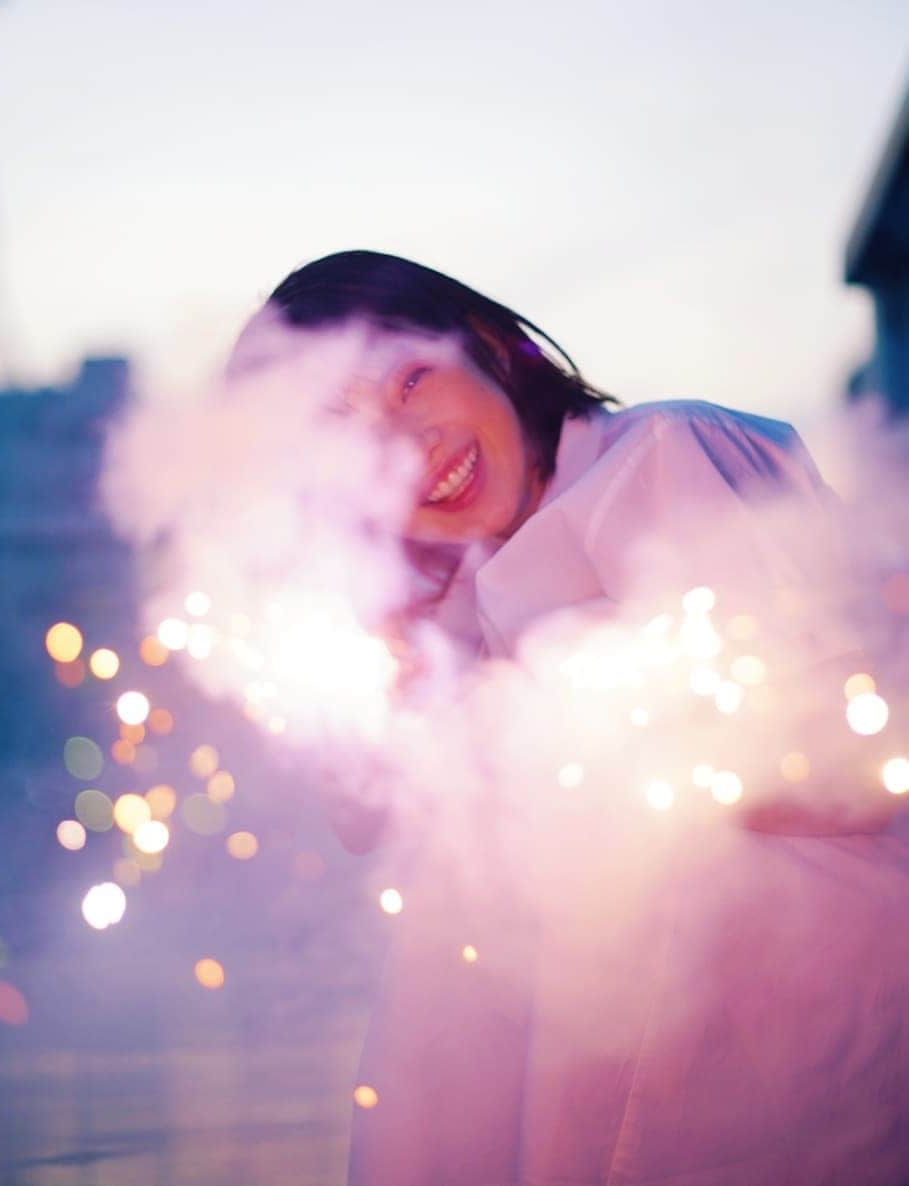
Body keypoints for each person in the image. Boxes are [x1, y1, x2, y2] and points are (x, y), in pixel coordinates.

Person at [232, 251, 909, 1185]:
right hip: (588, 1063)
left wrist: (595, 746)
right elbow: (365, 823)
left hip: (776, 1033)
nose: (404, 444)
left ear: (491, 348)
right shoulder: (455, 598)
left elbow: (852, 763)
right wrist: (375, 632)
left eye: (411, 379)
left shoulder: (665, 454)